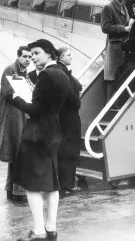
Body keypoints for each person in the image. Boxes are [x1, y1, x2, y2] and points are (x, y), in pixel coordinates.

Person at [12, 39, 69, 241]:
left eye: (36, 53)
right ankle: (51, 228)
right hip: (53, 131)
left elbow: (35, 109)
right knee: (52, 183)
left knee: (32, 184)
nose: (33, 58)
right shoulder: (62, 74)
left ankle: (38, 231)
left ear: (48, 52)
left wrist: (15, 98)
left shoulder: (45, 75)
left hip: (36, 133)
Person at [0, 45, 32, 202]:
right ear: (18, 56)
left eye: (30, 57)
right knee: (20, 153)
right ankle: (19, 191)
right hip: (13, 116)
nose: (28, 59)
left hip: (19, 115)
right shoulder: (11, 70)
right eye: (25, 57)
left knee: (17, 154)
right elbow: (10, 93)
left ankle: (11, 189)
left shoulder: (23, 72)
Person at [56, 46, 82, 197]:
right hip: (69, 117)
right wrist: (77, 100)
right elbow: (72, 98)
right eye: (68, 55)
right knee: (69, 151)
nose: (71, 57)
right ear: (61, 58)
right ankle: (67, 185)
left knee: (64, 150)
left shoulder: (60, 71)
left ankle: (64, 184)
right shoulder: (64, 73)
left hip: (62, 117)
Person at [101, 0, 131, 101]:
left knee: (119, 77)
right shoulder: (108, 7)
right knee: (112, 78)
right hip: (114, 47)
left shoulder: (124, 6)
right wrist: (123, 28)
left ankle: (116, 103)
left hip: (123, 46)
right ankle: (109, 105)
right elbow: (105, 27)